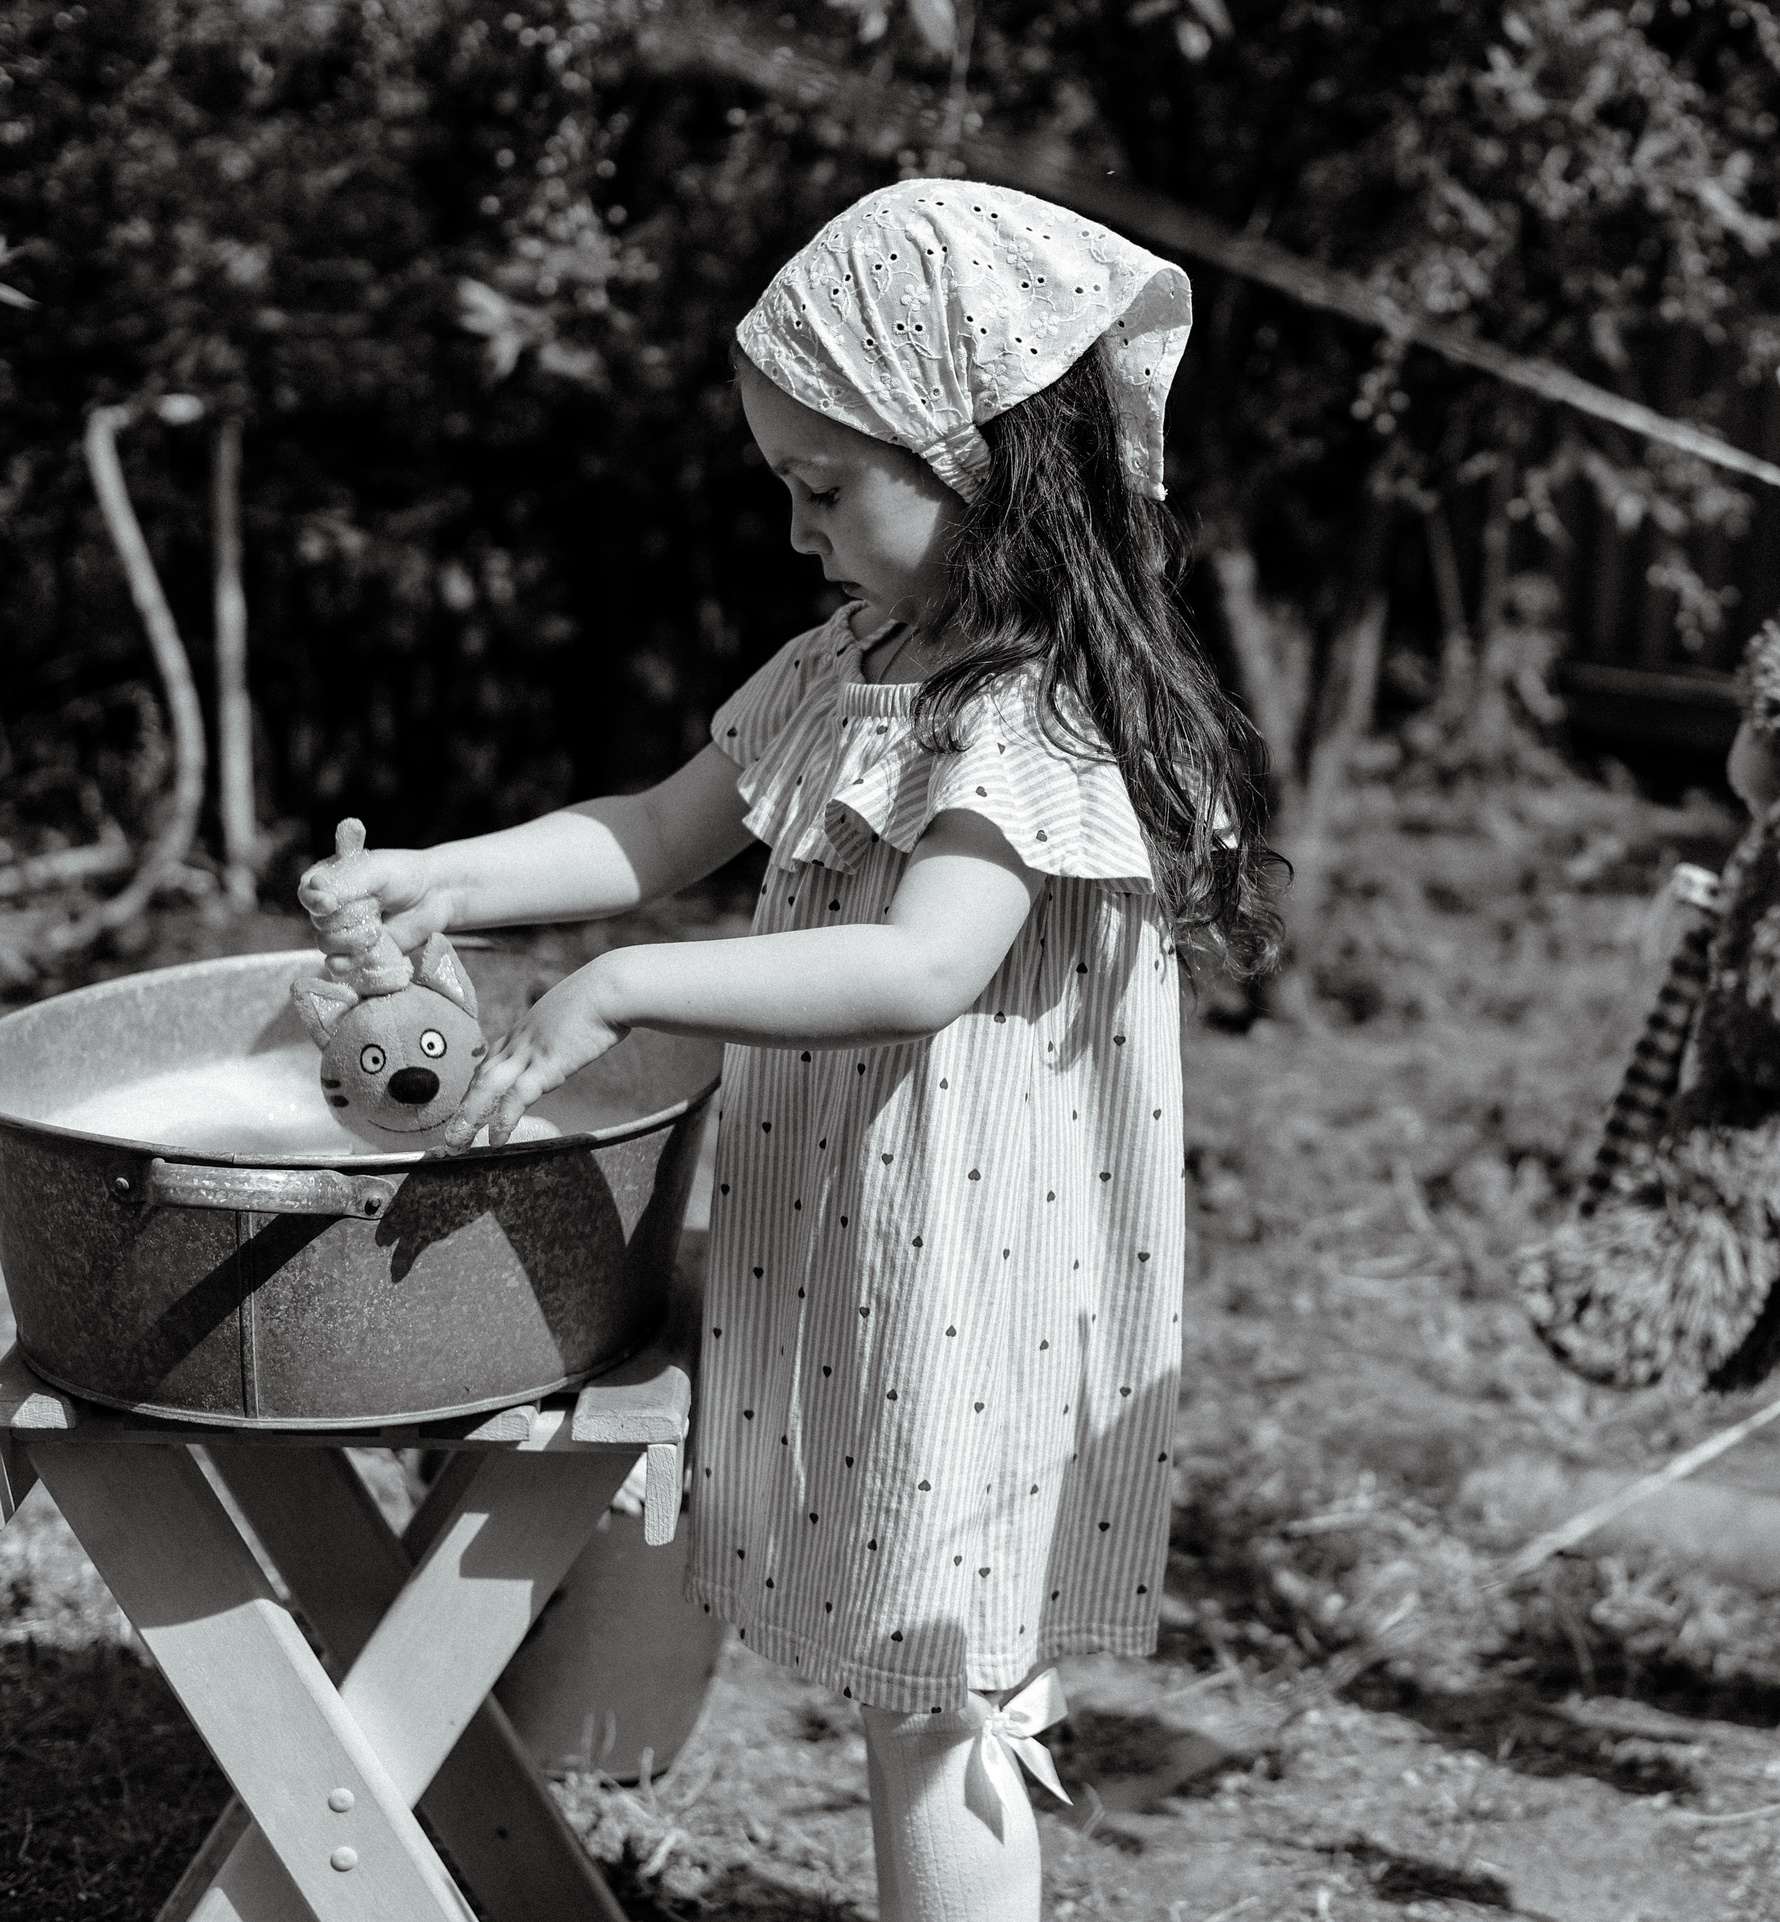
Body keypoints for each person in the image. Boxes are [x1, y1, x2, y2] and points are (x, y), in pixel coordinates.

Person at [297, 180, 1283, 1921]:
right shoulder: (852, 665)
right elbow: (661, 828)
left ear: (979, 459)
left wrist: (626, 989)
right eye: (783, 487)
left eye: (825, 486)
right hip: (859, 1241)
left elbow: (924, 965)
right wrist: (443, 872)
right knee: (901, 1675)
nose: (798, 527)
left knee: (934, 1692)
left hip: (977, 1278)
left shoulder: (1036, 710)